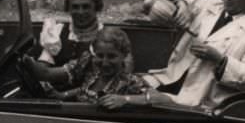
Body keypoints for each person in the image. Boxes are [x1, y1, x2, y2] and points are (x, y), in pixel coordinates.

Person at [22, 27, 163, 108]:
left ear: (124, 56)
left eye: (112, 56)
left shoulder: (130, 81)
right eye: (100, 55)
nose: (105, 62)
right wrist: (62, 95)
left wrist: (124, 100)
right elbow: (83, 89)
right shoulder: (92, 71)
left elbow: (163, 99)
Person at [35, 0, 105, 66]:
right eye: (75, 7)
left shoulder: (106, 35)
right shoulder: (57, 32)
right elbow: (43, 67)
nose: (80, 12)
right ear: (69, 9)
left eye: (86, 7)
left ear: (96, 7)